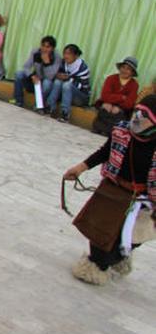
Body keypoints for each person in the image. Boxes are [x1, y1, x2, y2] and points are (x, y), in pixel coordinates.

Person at [64, 94, 156, 285]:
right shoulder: (121, 131)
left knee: (133, 238)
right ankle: (96, 265)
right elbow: (105, 152)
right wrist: (80, 168)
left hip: (142, 201)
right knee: (100, 235)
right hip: (112, 191)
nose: (137, 117)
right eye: (137, 111)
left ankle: (119, 257)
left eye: (144, 115)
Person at [11, 35, 62, 113]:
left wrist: (47, 63)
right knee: (19, 74)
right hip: (35, 80)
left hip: (45, 85)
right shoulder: (36, 52)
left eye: (48, 47)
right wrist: (32, 76)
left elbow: (50, 76)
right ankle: (18, 101)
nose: (44, 49)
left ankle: (38, 105)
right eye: (43, 46)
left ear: (53, 48)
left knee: (47, 83)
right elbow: (26, 67)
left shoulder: (56, 57)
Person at [93, 56, 140, 136]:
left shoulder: (134, 85)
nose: (124, 70)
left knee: (118, 113)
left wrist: (119, 106)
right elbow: (105, 96)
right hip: (107, 103)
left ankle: (109, 132)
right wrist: (122, 97)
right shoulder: (110, 79)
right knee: (105, 108)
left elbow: (129, 103)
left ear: (132, 72)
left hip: (123, 108)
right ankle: (98, 128)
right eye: (123, 67)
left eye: (128, 69)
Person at [45, 43, 91, 123]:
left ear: (76, 56)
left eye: (69, 54)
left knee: (67, 85)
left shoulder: (82, 68)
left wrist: (68, 79)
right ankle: (50, 108)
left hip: (81, 98)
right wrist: (57, 75)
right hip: (65, 94)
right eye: (65, 53)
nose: (66, 56)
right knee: (57, 82)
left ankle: (65, 114)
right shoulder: (63, 63)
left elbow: (84, 87)